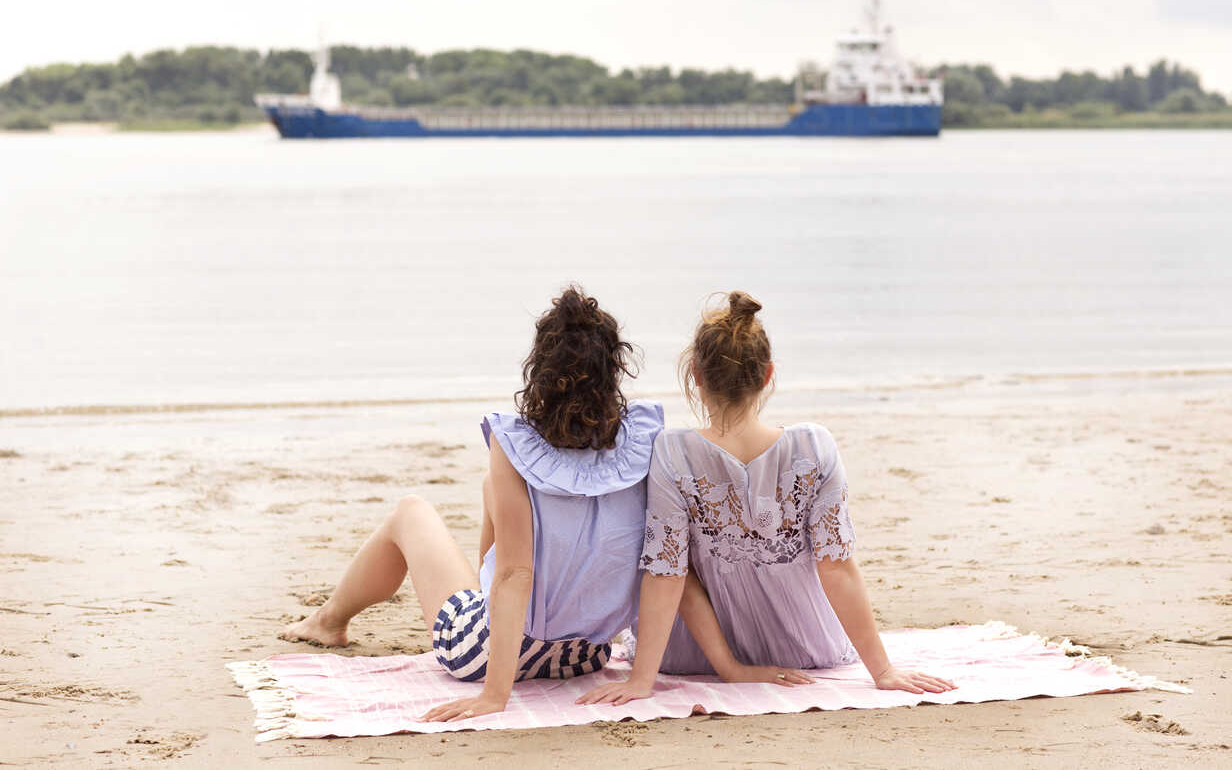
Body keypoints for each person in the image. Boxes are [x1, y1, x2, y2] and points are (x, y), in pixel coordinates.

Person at [282, 286, 664, 721]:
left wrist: (493, 696)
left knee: (411, 511)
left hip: (480, 656)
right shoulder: (644, 438)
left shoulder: (514, 442)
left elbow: (518, 572)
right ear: (613, 368)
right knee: (493, 489)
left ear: (540, 370)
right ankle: (476, 598)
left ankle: (328, 621)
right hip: (584, 656)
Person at [578, 291, 954, 706]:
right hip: (806, 647)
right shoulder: (815, 446)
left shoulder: (672, 451)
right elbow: (838, 567)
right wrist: (883, 671)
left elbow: (667, 572)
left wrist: (641, 682)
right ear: (768, 375)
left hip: (694, 656)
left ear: (696, 376)